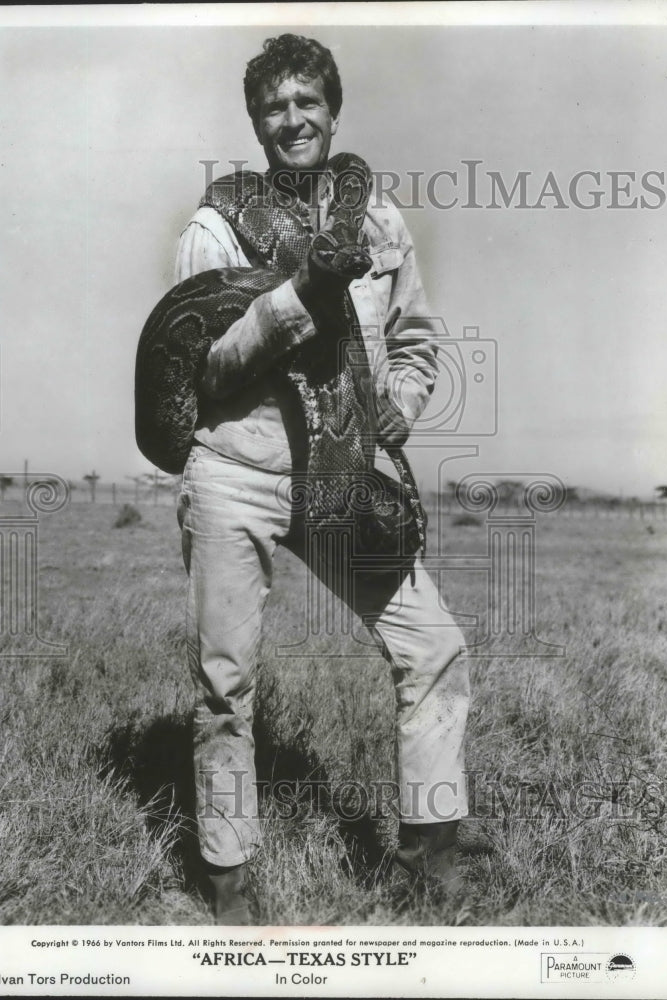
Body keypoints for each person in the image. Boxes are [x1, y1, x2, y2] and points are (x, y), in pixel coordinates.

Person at [174, 33, 470, 924]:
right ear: (256, 122)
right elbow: (203, 370)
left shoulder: (378, 218)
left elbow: (415, 339)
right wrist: (299, 295)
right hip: (238, 466)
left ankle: (432, 856)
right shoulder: (217, 222)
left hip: (344, 474)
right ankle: (229, 881)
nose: (294, 119)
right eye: (276, 106)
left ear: (332, 111)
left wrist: (403, 408)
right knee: (227, 686)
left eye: (309, 102)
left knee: (435, 646)